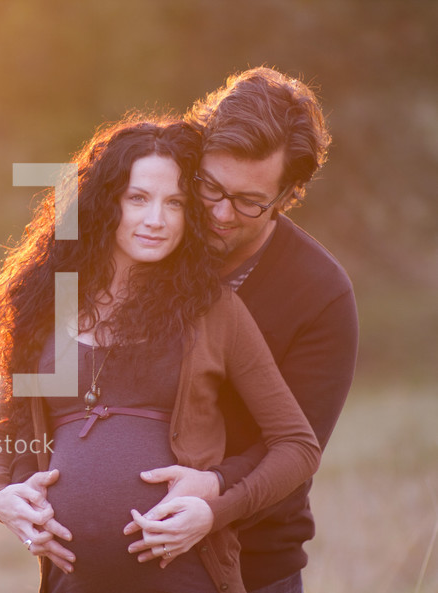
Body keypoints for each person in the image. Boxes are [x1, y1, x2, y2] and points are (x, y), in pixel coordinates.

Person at [0, 113, 321, 593]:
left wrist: (213, 509)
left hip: (187, 579)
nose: (156, 220)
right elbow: (3, 431)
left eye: (175, 203)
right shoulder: (44, 305)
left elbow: (297, 446)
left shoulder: (213, 310)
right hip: (71, 582)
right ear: (103, 203)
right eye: (138, 198)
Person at [128, 67, 359, 593]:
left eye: (248, 201)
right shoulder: (151, 240)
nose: (218, 212)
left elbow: (295, 449)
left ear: (287, 195)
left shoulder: (321, 295)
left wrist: (210, 491)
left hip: (253, 571)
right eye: (209, 186)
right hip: (122, 566)